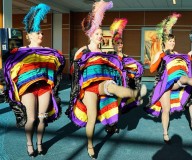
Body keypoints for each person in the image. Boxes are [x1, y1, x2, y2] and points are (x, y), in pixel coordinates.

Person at [65, 1, 146, 159]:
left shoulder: (105, 53)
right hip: (88, 88)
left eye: (101, 34)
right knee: (92, 117)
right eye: (97, 34)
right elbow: (74, 73)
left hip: (102, 84)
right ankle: (90, 144)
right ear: (90, 34)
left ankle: (134, 93)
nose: (100, 36)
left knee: (113, 87)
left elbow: (114, 66)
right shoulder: (82, 51)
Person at [3, 3, 65, 157]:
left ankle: (39, 143)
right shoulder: (19, 53)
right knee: (31, 120)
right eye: (37, 33)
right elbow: (9, 69)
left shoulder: (48, 52)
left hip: (44, 88)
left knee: (42, 119)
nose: (40, 35)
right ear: (28, 35)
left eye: (41, 33)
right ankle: (29, 144)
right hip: (27, 89)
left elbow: (58, 64)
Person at [144, 13, 192, 144]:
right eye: (170, 41)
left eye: (174, 41)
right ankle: (165, 132)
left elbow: (183, 66)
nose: (173, 43)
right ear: (164, 42)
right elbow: (152, 69)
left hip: (175, 81)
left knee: (185, 79)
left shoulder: (176, 53)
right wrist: (162, 56)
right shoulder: (160, 53)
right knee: (166, 109)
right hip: (163, 83)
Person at [106, 18, 144, 133]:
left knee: (119, 105)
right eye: (118, 43)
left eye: (121, 43)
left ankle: (114, 124)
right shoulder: (109, 56)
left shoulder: (126, 57)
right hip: (112, 84)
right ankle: (110, 124)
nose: (120, 45)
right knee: (110, 104)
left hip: (123, 85)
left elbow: (136, 68)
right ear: (113, 44)